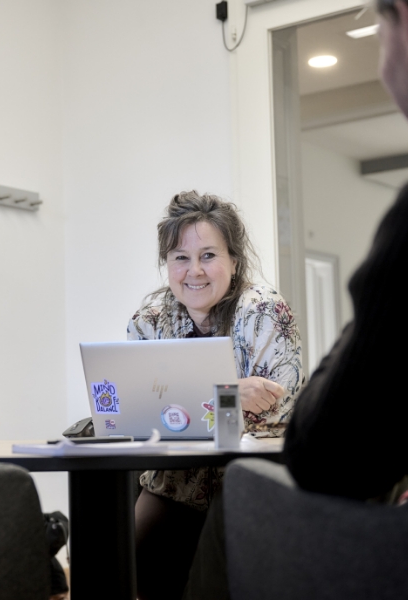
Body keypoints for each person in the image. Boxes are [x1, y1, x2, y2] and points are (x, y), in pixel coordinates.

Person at [184, 0, 408, 597]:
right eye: (180, 257)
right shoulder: (154, 313)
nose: (193, 270)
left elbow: (327, 456)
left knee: (239, 493)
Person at [127, 191, 304, 600]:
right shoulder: (149, 321)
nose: (195, 271)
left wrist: (182, 400)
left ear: (234, 262)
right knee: (122, 567)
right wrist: (225, 393)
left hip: (248, 478)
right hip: (175, 481)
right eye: (180, 257)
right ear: (166, 265)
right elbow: (138, 410)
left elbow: (274, 410)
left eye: (208, 255)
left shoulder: (263, 311)